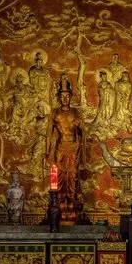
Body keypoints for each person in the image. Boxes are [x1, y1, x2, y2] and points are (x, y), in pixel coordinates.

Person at [46, 77, 85, 207]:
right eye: (62, 96)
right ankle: (60, 198)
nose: (65, 99)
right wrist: (47, 150)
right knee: (60, 172)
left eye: (67, 96)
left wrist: (80, 126)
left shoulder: (75, 112)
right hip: (61, 145)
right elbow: (49, 134)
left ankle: (72, 197)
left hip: (73, 145)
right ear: (59, 97)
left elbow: (82, 133)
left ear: (70, 97)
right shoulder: (55, 112)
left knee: (73, 172)